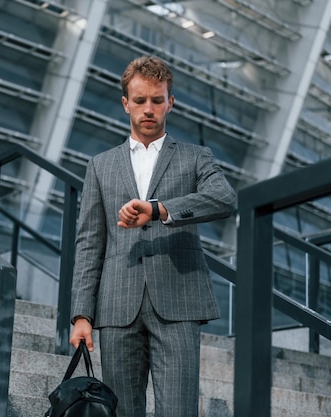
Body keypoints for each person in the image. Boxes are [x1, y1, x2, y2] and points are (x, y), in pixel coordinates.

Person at [68, 55, 237, 417]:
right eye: (140, 100)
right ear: (125, 103)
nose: (149, 109)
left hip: (178, 302)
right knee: (122, 411)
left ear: (170, 103)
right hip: (116, 307)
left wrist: (159, 209)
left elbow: (224, 198)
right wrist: (81, 314)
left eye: (157, 100)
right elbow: (89, 242)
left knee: (178, 410)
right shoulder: (100, 165)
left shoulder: (195, 157)